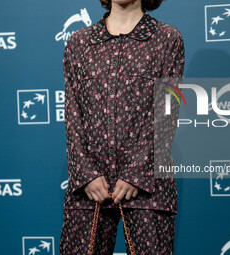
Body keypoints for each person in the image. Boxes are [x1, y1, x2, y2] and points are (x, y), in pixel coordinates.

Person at [59, 0, 185, 254]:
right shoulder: (80, 42)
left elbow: (166, 112)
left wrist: (136, 171)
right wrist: (86, 173)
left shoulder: (167, 38)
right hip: (89, 188)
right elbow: (73, 113)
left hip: (149, 186)